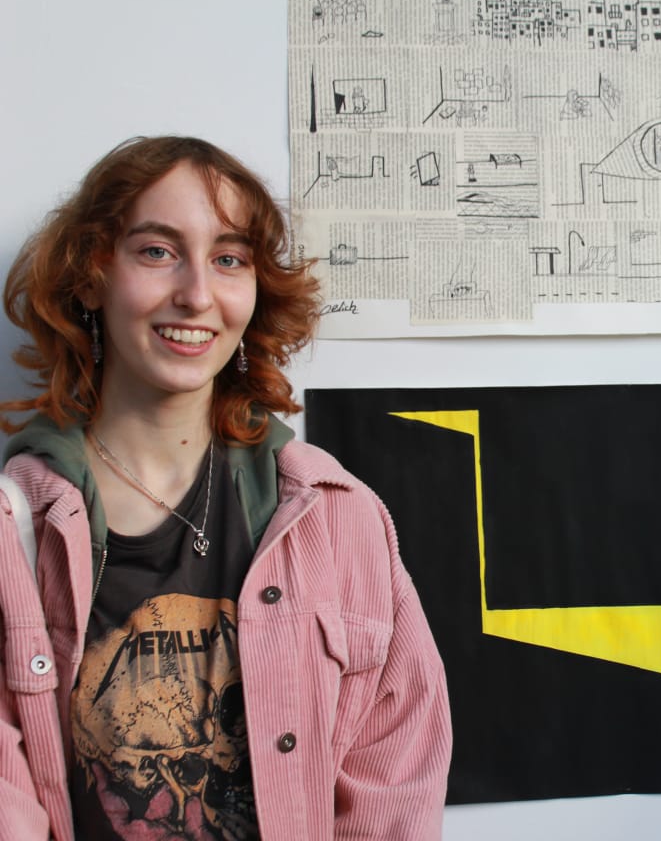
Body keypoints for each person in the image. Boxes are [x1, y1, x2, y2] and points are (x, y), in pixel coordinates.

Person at [0, 136, 452, 840]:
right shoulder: (15, 529)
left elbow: (395, 781)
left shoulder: (338, 516)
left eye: (229, 259)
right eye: (157, 251)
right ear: (91, 277)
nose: (197, 295)